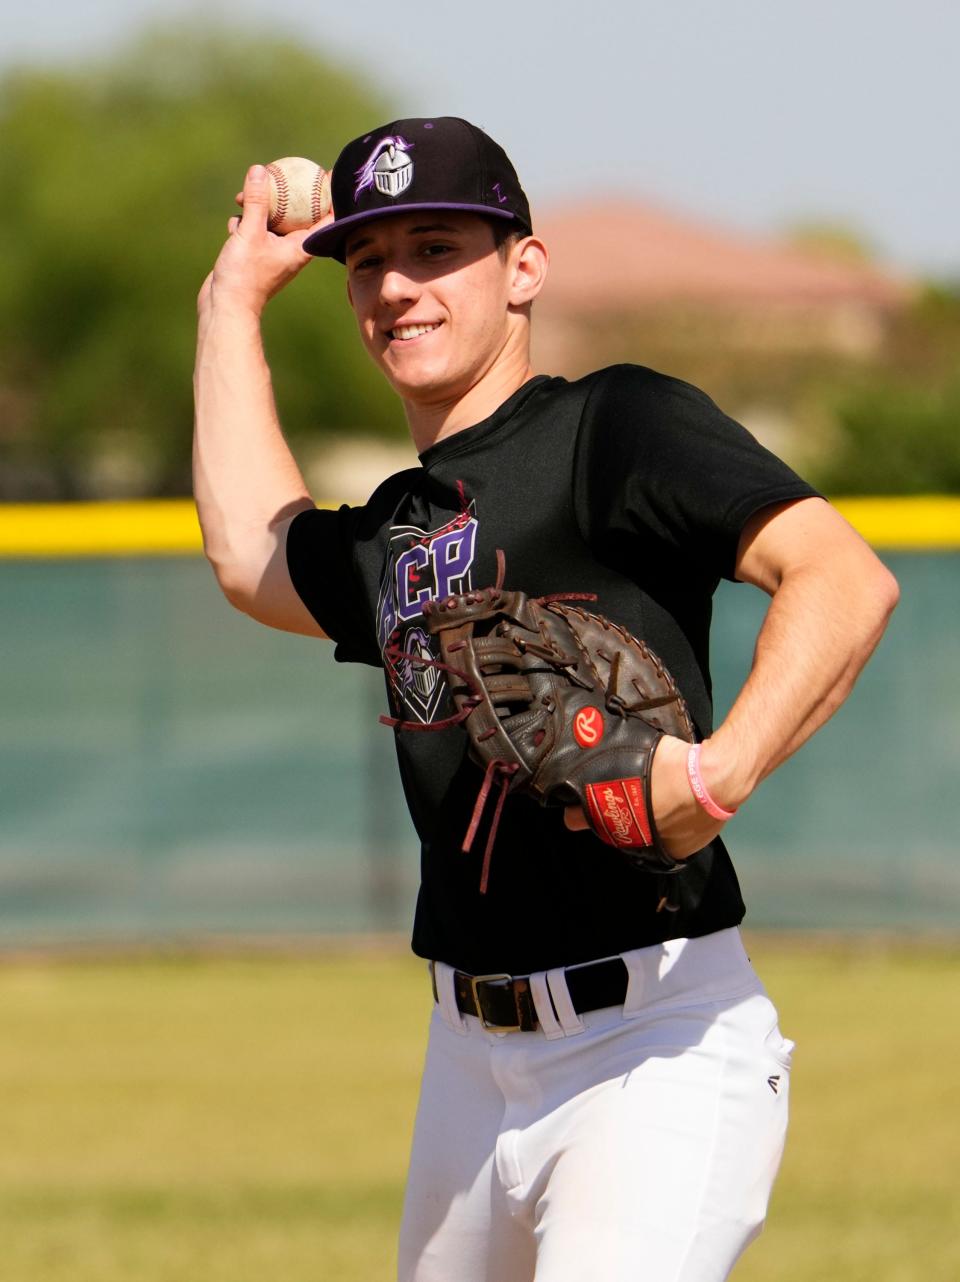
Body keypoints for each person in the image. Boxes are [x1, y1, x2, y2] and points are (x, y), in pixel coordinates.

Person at [194, 116, 899, 1282]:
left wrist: (714, 776)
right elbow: (247, 554)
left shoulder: (613, 425)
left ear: (524, 267)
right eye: (369, 260)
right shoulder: (404, 524)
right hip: (466, 1067)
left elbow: (843, 578)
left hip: (655, 1043)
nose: (397, 286)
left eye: (436, 248)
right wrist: (233, 299)